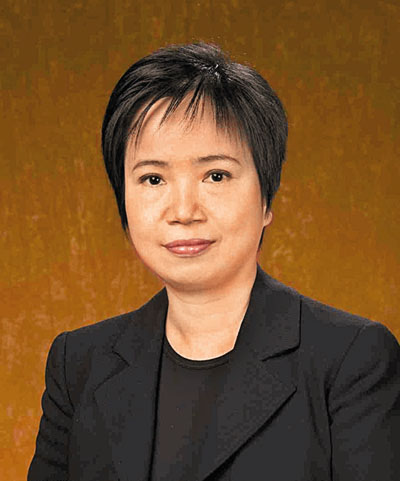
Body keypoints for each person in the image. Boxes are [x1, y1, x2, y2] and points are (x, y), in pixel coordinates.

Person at [28, 42, 400, 481]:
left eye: (216, 175)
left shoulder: (351, 361)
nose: (183, 210)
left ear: (267, 199)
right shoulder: (79, 364)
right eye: (153, 178)